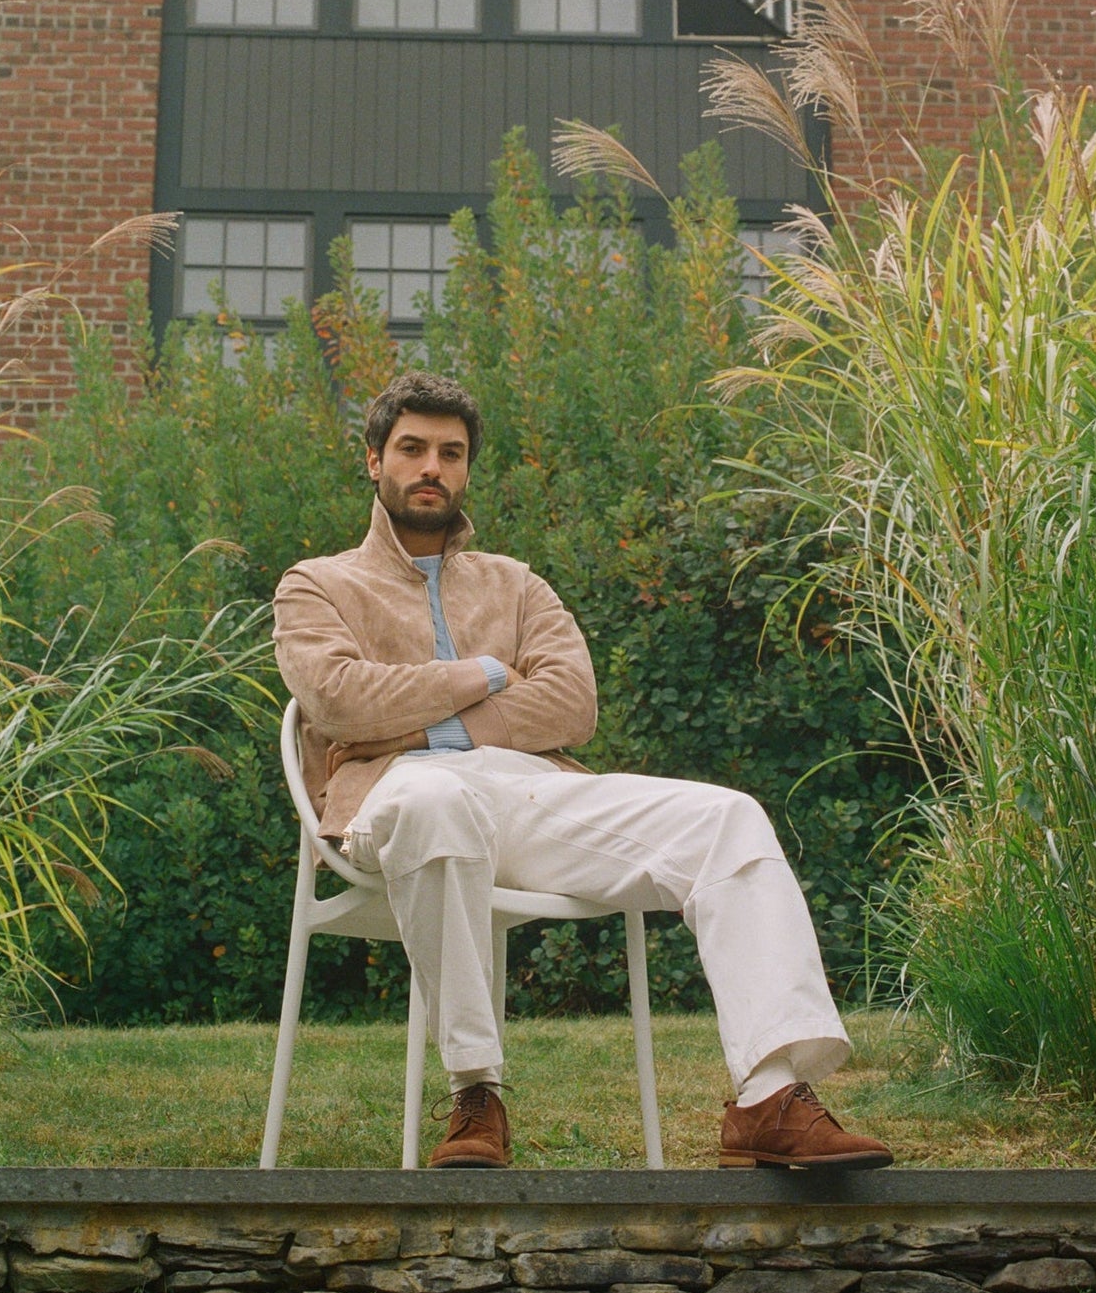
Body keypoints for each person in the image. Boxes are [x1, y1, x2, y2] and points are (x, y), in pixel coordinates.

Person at [272, 370, 892, 1172]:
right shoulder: (317, 583)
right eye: (413, 448)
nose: (432, 466)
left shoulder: (515, 582)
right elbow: (339, 698)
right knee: (433, 796)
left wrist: (431, 711)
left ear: (466, 469)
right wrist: (483, 674)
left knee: (727, 816)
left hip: (531, 791)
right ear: (373, 460)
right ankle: (475, 1093)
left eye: (451, 453)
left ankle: (769, 1096)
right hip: (395, 797)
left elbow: (572, 703)